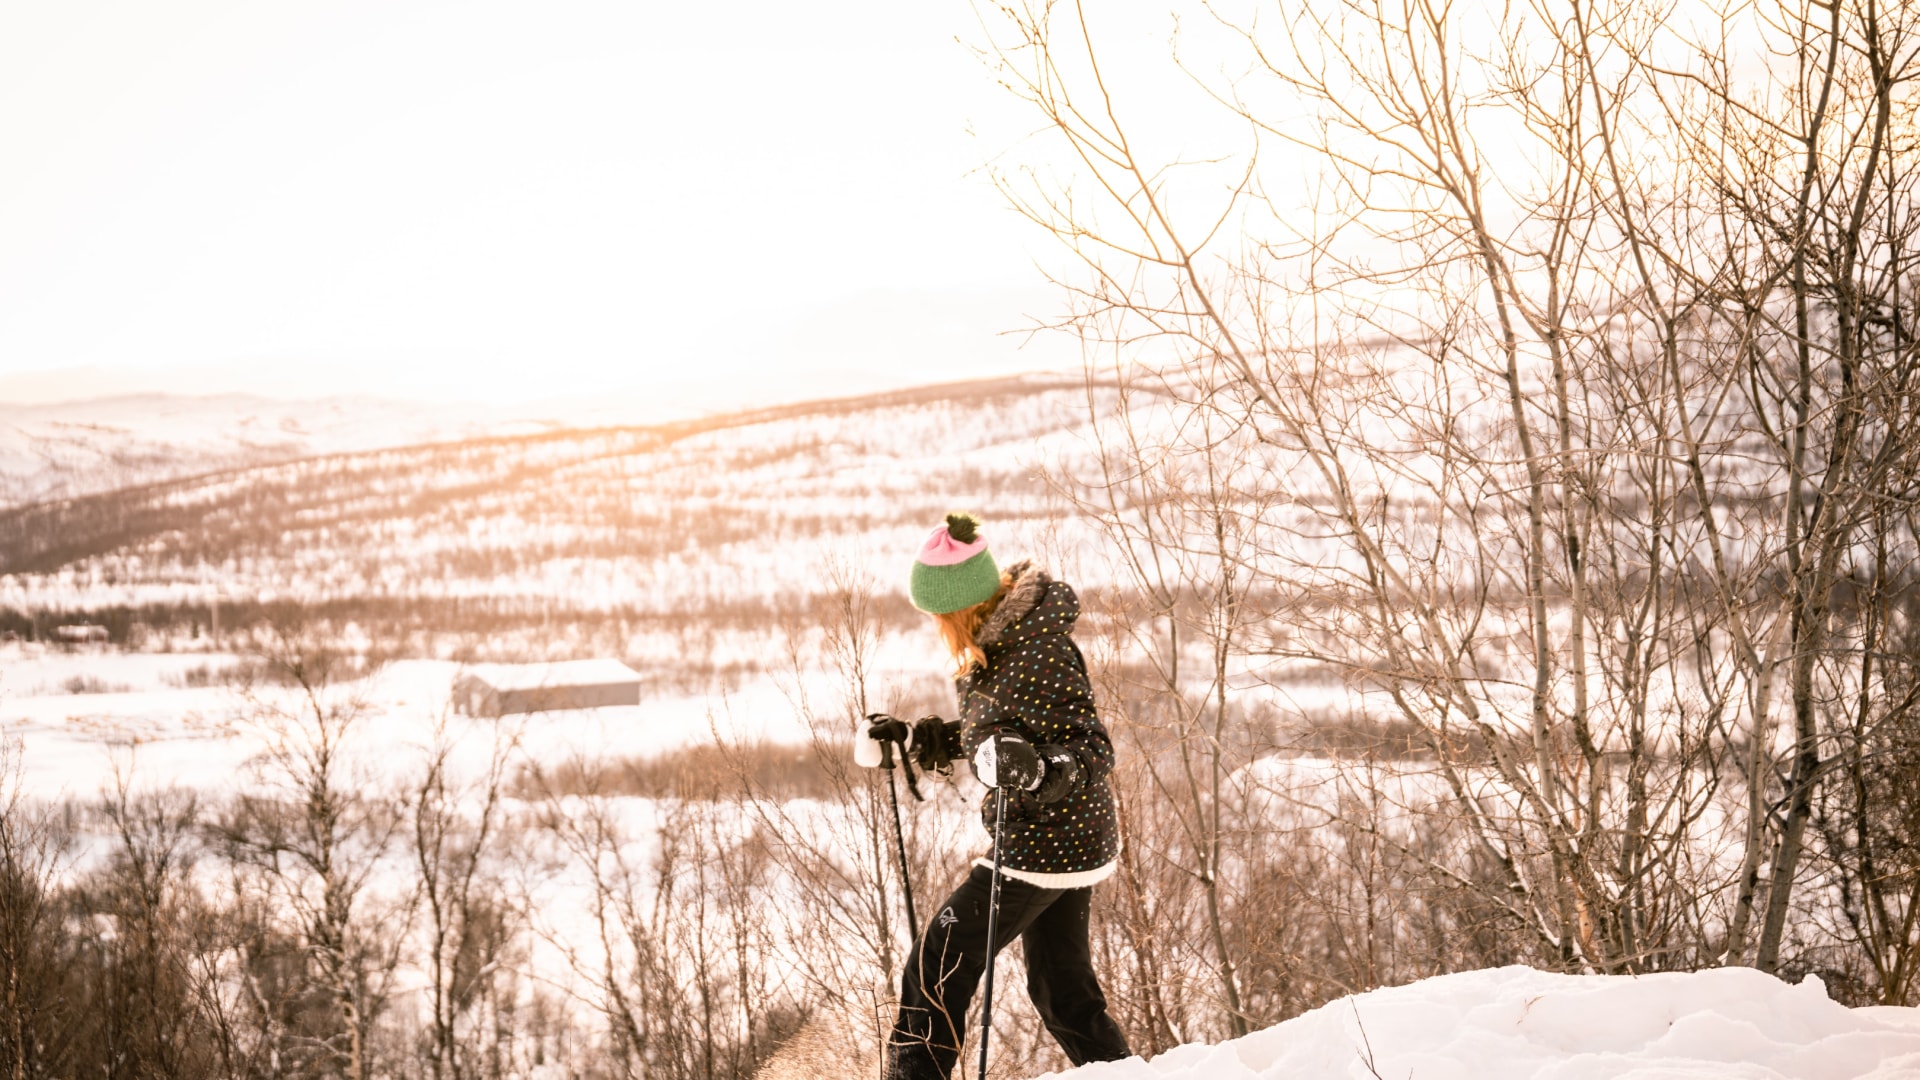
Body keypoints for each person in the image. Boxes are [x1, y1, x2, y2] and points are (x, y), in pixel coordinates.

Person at [861, 512, 1131, 1080]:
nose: (936, 625)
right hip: (1065, 839)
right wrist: (928, 737)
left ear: (959, 606)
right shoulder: (1001, 644)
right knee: (1062, 990)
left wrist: (1039, 772)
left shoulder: (1037, 649)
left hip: (1048, 839)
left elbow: (1091, 747)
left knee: (938, 964)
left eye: (937, 614)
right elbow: (1012, 726)